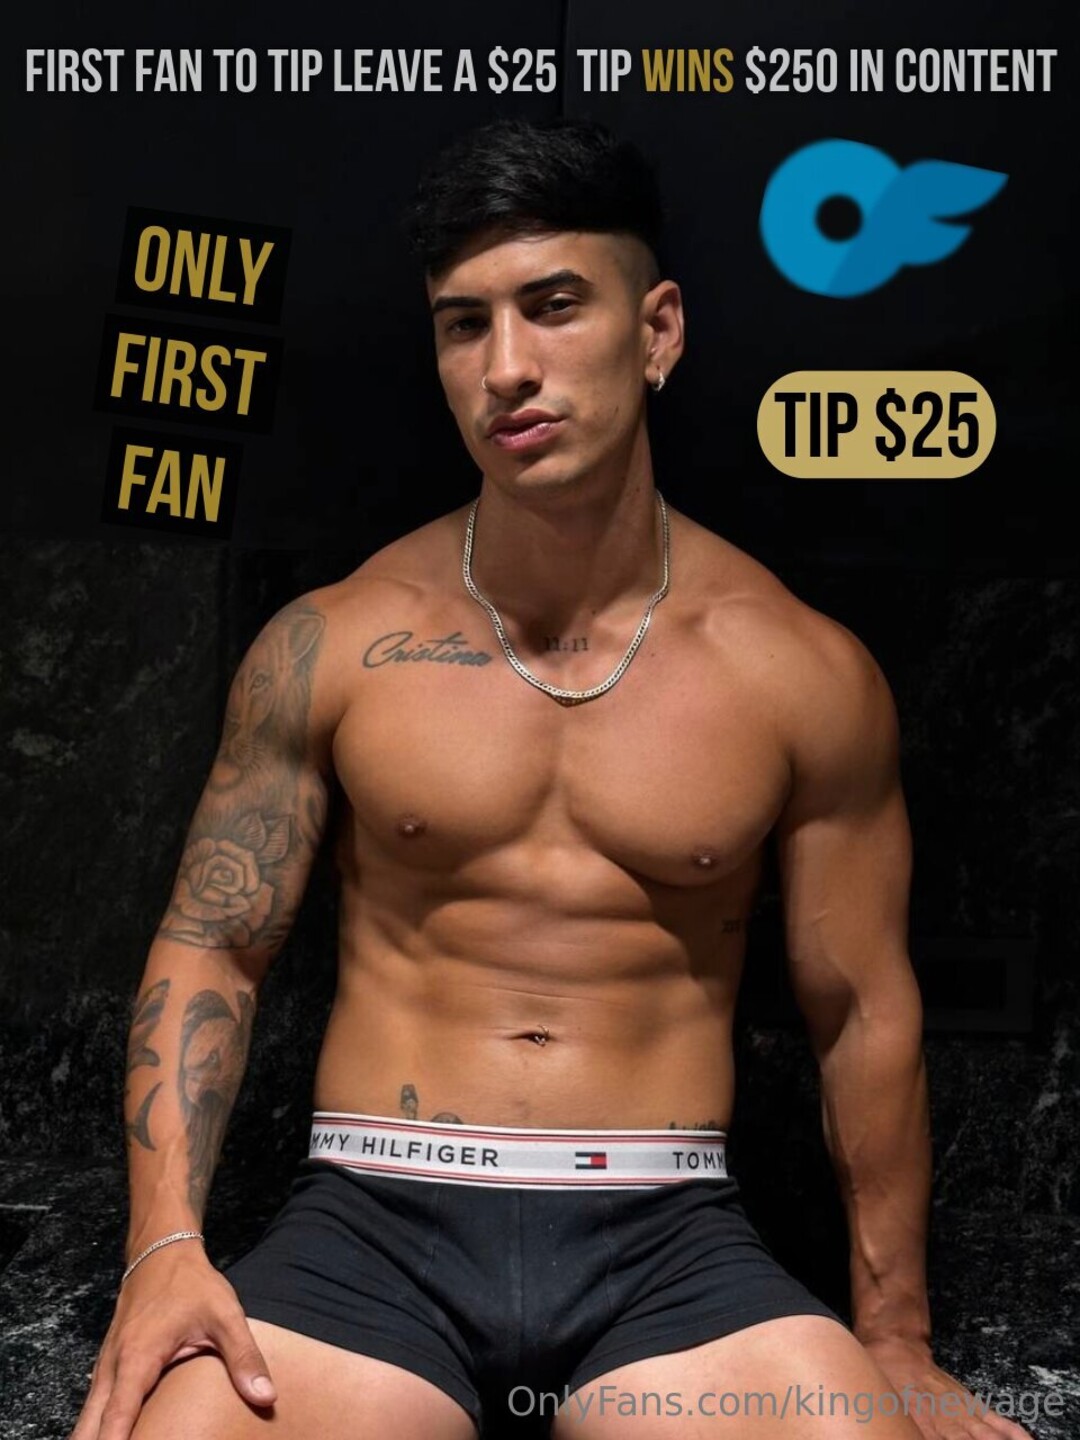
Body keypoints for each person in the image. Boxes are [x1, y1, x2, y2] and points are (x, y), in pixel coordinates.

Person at [72, 119, 1032, 1440]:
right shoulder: (333, 641)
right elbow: (214, 944)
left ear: (658, 330)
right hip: (369, 1228)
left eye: (555, 305)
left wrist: (899, 1339)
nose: (507, 366)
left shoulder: (799, 670)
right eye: (463, 325)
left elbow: (861, 1007)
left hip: (668, 1246)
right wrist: (163, 1250)